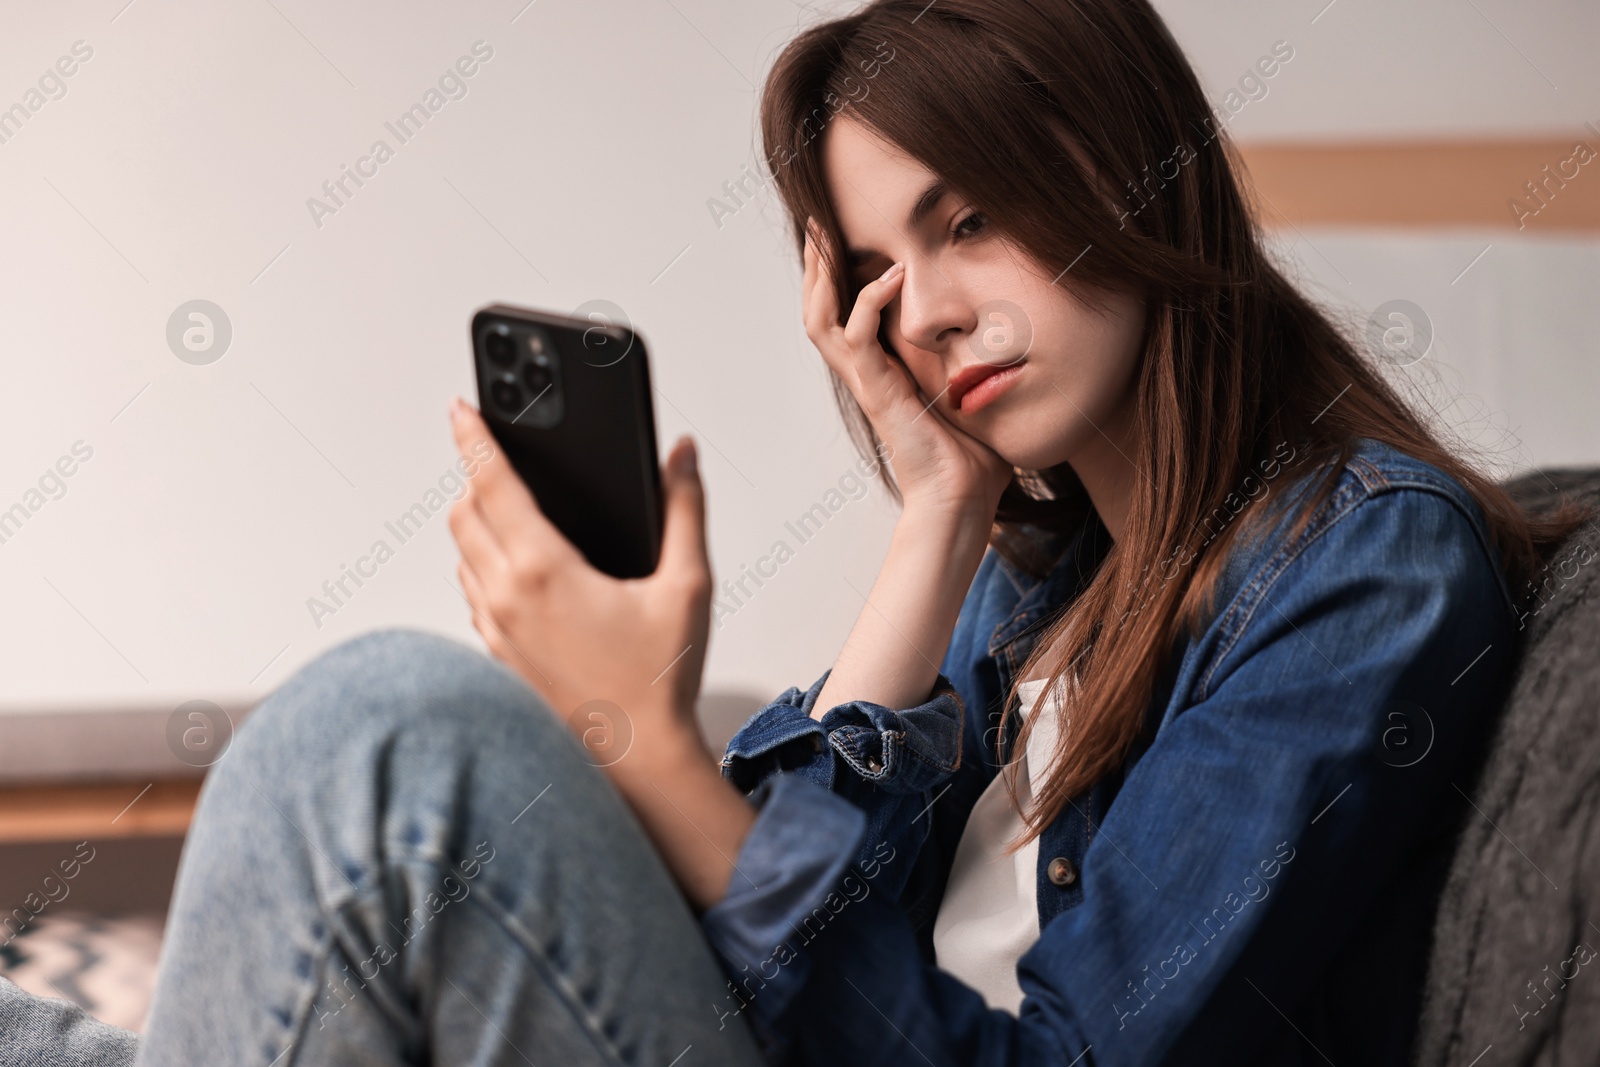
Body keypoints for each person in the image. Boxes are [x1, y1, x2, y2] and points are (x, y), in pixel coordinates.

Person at [3, 0, 1589, 1063]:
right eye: (888, 265)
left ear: (1129, 171)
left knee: (384, 742)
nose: (938, 311)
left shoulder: (1370, 564)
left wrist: (644, 742)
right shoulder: (1043, 581)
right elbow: (793, 922)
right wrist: (935, 519)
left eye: (972, 217)